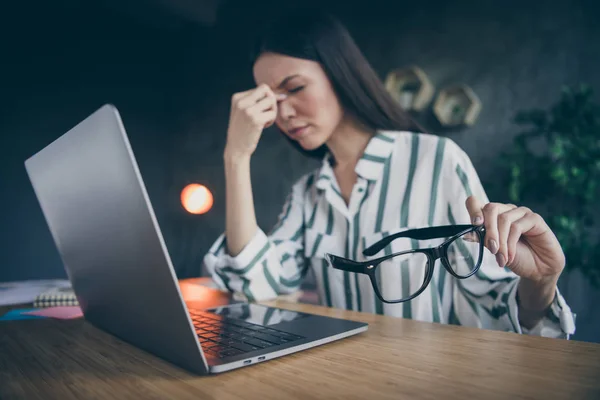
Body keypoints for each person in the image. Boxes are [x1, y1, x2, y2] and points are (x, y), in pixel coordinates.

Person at [202, 9, 575, 338]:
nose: (283, 113)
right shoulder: (308, 193)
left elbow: (493, 302)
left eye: (295, 88)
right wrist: (236, 156)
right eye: (269, 100)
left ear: (339, 73)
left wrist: (541, 283)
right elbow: (258, 286)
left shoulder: (436, 161)